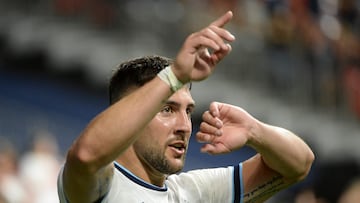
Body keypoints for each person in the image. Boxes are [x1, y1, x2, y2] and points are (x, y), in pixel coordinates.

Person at [57, 11, 315, 203]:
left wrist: (253, 130)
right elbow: (85, 155)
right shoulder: (102, 186)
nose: (184, 126)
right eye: (167, 109)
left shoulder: (195, 192)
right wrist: (174, 75)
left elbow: (299, 164)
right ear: (132, 115)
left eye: (188, 111)